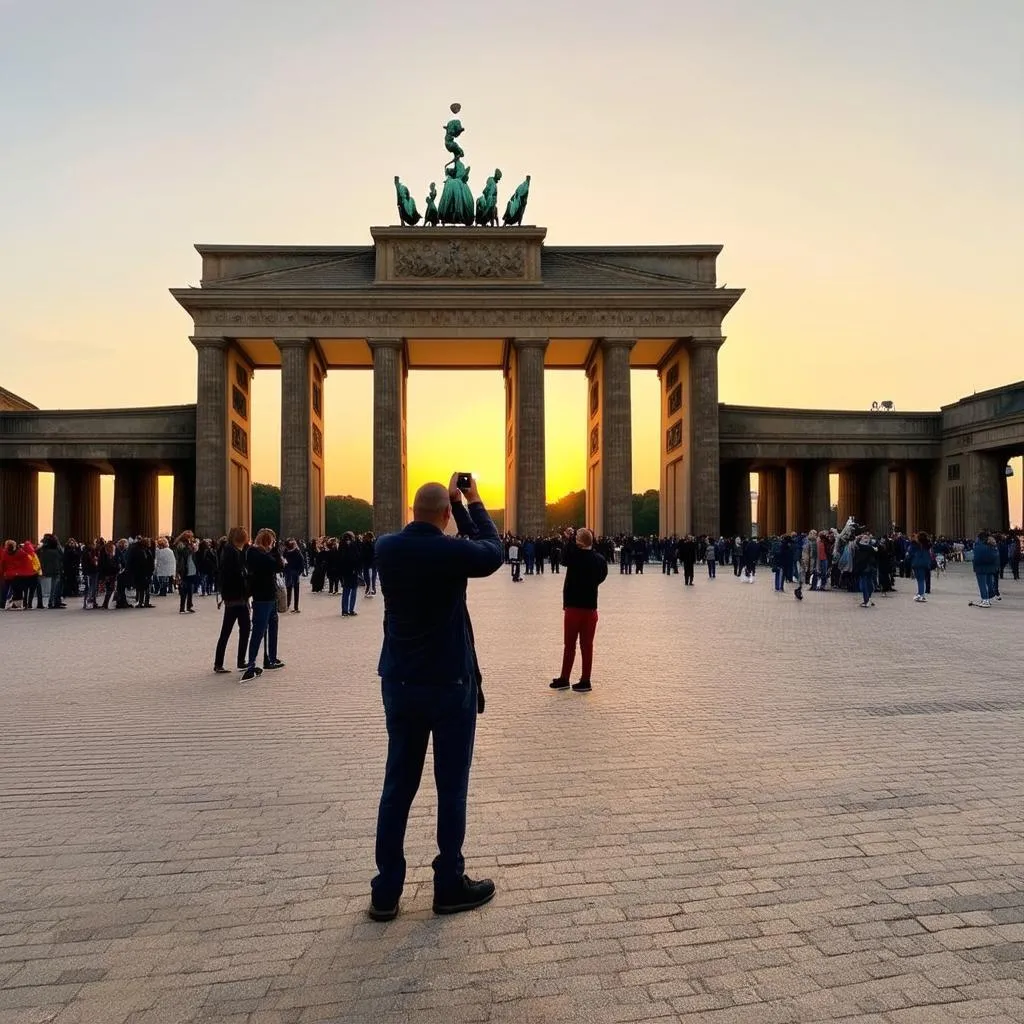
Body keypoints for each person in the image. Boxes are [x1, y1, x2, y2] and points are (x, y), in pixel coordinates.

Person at [368, 474, 503, 922]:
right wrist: (470, 501)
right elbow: (490, 548)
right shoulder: (450, 551)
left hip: (401, 683)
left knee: (397, 788)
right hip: (449, 685)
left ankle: (386, 891)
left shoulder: (387, 547)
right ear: (445, 515)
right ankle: (448, 884)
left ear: (411, 511)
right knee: (451, 787)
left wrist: (449, 507)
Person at [550, 526, 608, 693]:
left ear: (579, 544)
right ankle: (585, 680)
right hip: (591, 609)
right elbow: (601, 577)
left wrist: (568, 540)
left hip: (573, 608)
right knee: (587, 646)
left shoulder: (575, 557)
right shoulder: (599, 559)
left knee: (569, 645)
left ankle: (564, 678)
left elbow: (564, 559)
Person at [242, 528, 285, 680]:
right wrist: (275, 551)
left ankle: (269, 658)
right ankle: (253, 664)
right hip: (265, 597)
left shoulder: (253, 553)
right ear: (268, 542)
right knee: (259, 631)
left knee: (269, 627)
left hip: (264, 596)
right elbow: (279, 566)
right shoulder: (261, 556)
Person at [214, 526, 252, 674]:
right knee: (240, 629)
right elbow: (236, 575)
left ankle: (222, 662)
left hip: (233, 597)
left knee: (230, 631)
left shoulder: (230, 550)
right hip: (237, 597)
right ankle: (238, 661)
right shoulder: (233, 553)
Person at [971, 531, 999, 607]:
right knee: (989, 583)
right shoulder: (992, 545)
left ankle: (985, 600)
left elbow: (976, 558)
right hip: (990, 567)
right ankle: (989, 598)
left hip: (980, 568)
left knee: (982, 584)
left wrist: (974, 563)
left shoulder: (978, 546)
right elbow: (996, 557)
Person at [338, 532, 362, 616]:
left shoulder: (341, 546)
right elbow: (358, 557)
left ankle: (345, 610)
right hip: (353, 571)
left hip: (346, 572)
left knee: (346, 591)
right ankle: (351, 609)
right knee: (353, 591)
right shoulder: (354, 545)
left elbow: (340, 559)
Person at [174, 531, 198, 613]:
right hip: (184, 569)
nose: (192, 538)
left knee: (190, 589)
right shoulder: (181, 545)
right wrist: (191, 547)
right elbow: (185, 554)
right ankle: (182, 607)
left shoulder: (189, 545)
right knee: (184, 589)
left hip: (191, 569)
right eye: (191, 537)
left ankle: (189, 606)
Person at [908, 531, 932, 602]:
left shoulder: (916, 545)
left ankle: (921, 595)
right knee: (920, 579)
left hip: (917, 563)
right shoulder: (926, 545)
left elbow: (910, 552)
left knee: (920, 580)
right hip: (923, 563)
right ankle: (920, 593)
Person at [283, 539, 304, 613]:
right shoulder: (297, 552)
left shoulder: (285, 552)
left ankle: (287, 604)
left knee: (288, 589)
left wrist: (284, 570)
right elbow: (302, 562)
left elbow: (283, 561)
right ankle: (296, 607)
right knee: (296, 590)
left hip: (288, 572)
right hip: (295, 572)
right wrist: (299, 572)